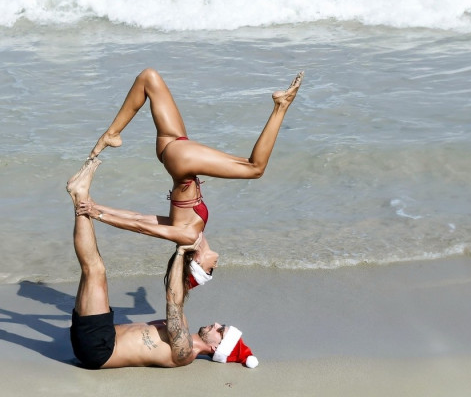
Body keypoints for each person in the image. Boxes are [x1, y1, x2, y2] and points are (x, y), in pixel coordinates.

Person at [76, 67, 303, 294]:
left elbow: (141, 226)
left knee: (255, 168)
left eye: (208, 271)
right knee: (149, 78)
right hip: (173, 152)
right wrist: (96, 207)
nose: (214, 267)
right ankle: (111, 134)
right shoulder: (189, 231)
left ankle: (281, 106)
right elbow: (140, 217)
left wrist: (99, 215)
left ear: (197, 263)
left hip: (181, 162)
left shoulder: (187, 237)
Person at [66, 157, 258, 369]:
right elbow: (141, 220)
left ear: (216, 348)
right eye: (222, 326)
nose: (217, 324)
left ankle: (79, 195)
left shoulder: (184, 352)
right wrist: (95, 208)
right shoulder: (182, 327)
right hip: (100, 336)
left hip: (98, 349)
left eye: (220, 331)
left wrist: (181, 252)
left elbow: (173, 301)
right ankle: (82, 198)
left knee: (95, 270)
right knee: (93, 270)